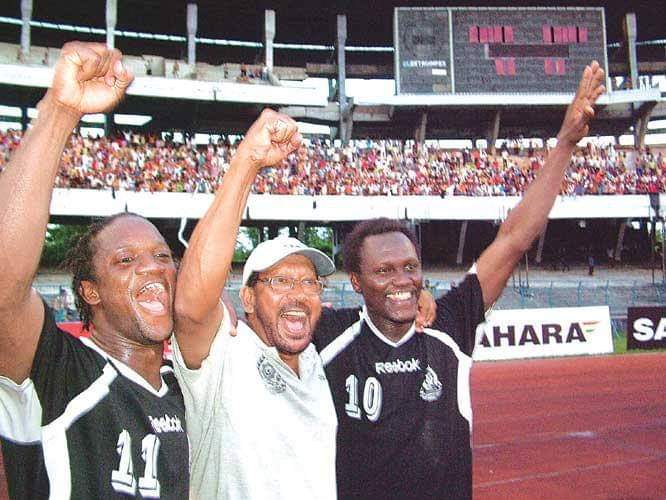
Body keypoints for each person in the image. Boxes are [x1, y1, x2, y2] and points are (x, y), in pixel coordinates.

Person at [312, 61, 606, 499]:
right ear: (356, 282)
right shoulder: (330, 337)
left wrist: (564, 143)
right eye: (384, 270)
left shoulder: (448, 323)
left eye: (410, 267)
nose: (402, 280)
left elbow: (513, 239)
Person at [0, 42, 189, 498]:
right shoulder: (60, 374)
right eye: (125, 261)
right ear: (90, 291)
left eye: (163, 256)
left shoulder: (183, 390)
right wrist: (60, 111)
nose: (153, 268)